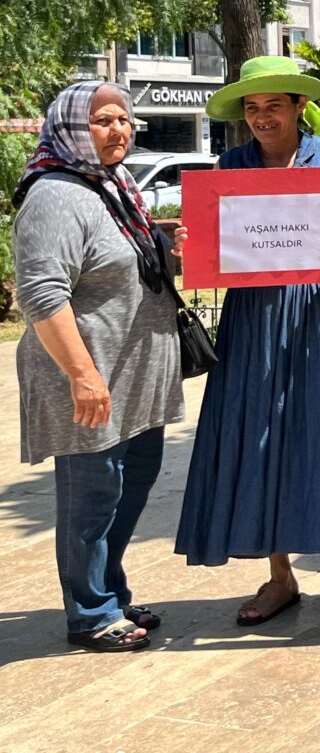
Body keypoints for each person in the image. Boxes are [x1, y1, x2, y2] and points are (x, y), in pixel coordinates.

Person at [174, 57, 320, 623]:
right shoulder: (229, 164)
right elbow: (213, 251)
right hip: (253, 318)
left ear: (299, 108)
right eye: (253, 109)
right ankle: (280, 575)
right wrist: (195, 244)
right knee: (261, 435)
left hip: (317, 314)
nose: (262, 118)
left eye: (274, 106)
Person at [11, 82, 186, 653]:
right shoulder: (55, 195)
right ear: (67, 129)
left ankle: (110, 591)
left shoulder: (114, 185)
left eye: (123, 119)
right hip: (88, 379)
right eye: (101, 121)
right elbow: (41, 294)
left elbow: (120, 261)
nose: (117, 130)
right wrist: (83, 375)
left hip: (133, 379)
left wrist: (170, 247)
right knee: (91, 499)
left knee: (126, 489)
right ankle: (88, 613)